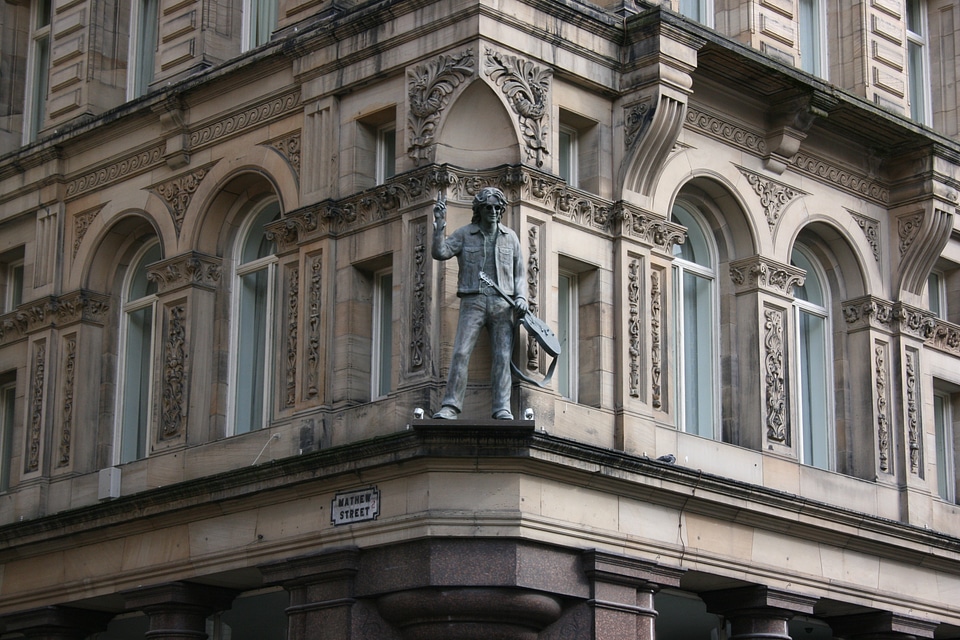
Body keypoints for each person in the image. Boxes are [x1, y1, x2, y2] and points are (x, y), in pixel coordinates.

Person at [432, 186, 528, 420]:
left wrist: (521, 297)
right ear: (479, 210)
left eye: (497, 207)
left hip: (502, 303)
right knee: (461, 353)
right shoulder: (465, 234)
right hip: (473, 300)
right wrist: (439, 225)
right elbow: (440, 252)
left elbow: (520, 274)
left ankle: (502, 407)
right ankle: (451, 406)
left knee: (502, 356)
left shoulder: (511, 237)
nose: (493, 211)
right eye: (488, 207)